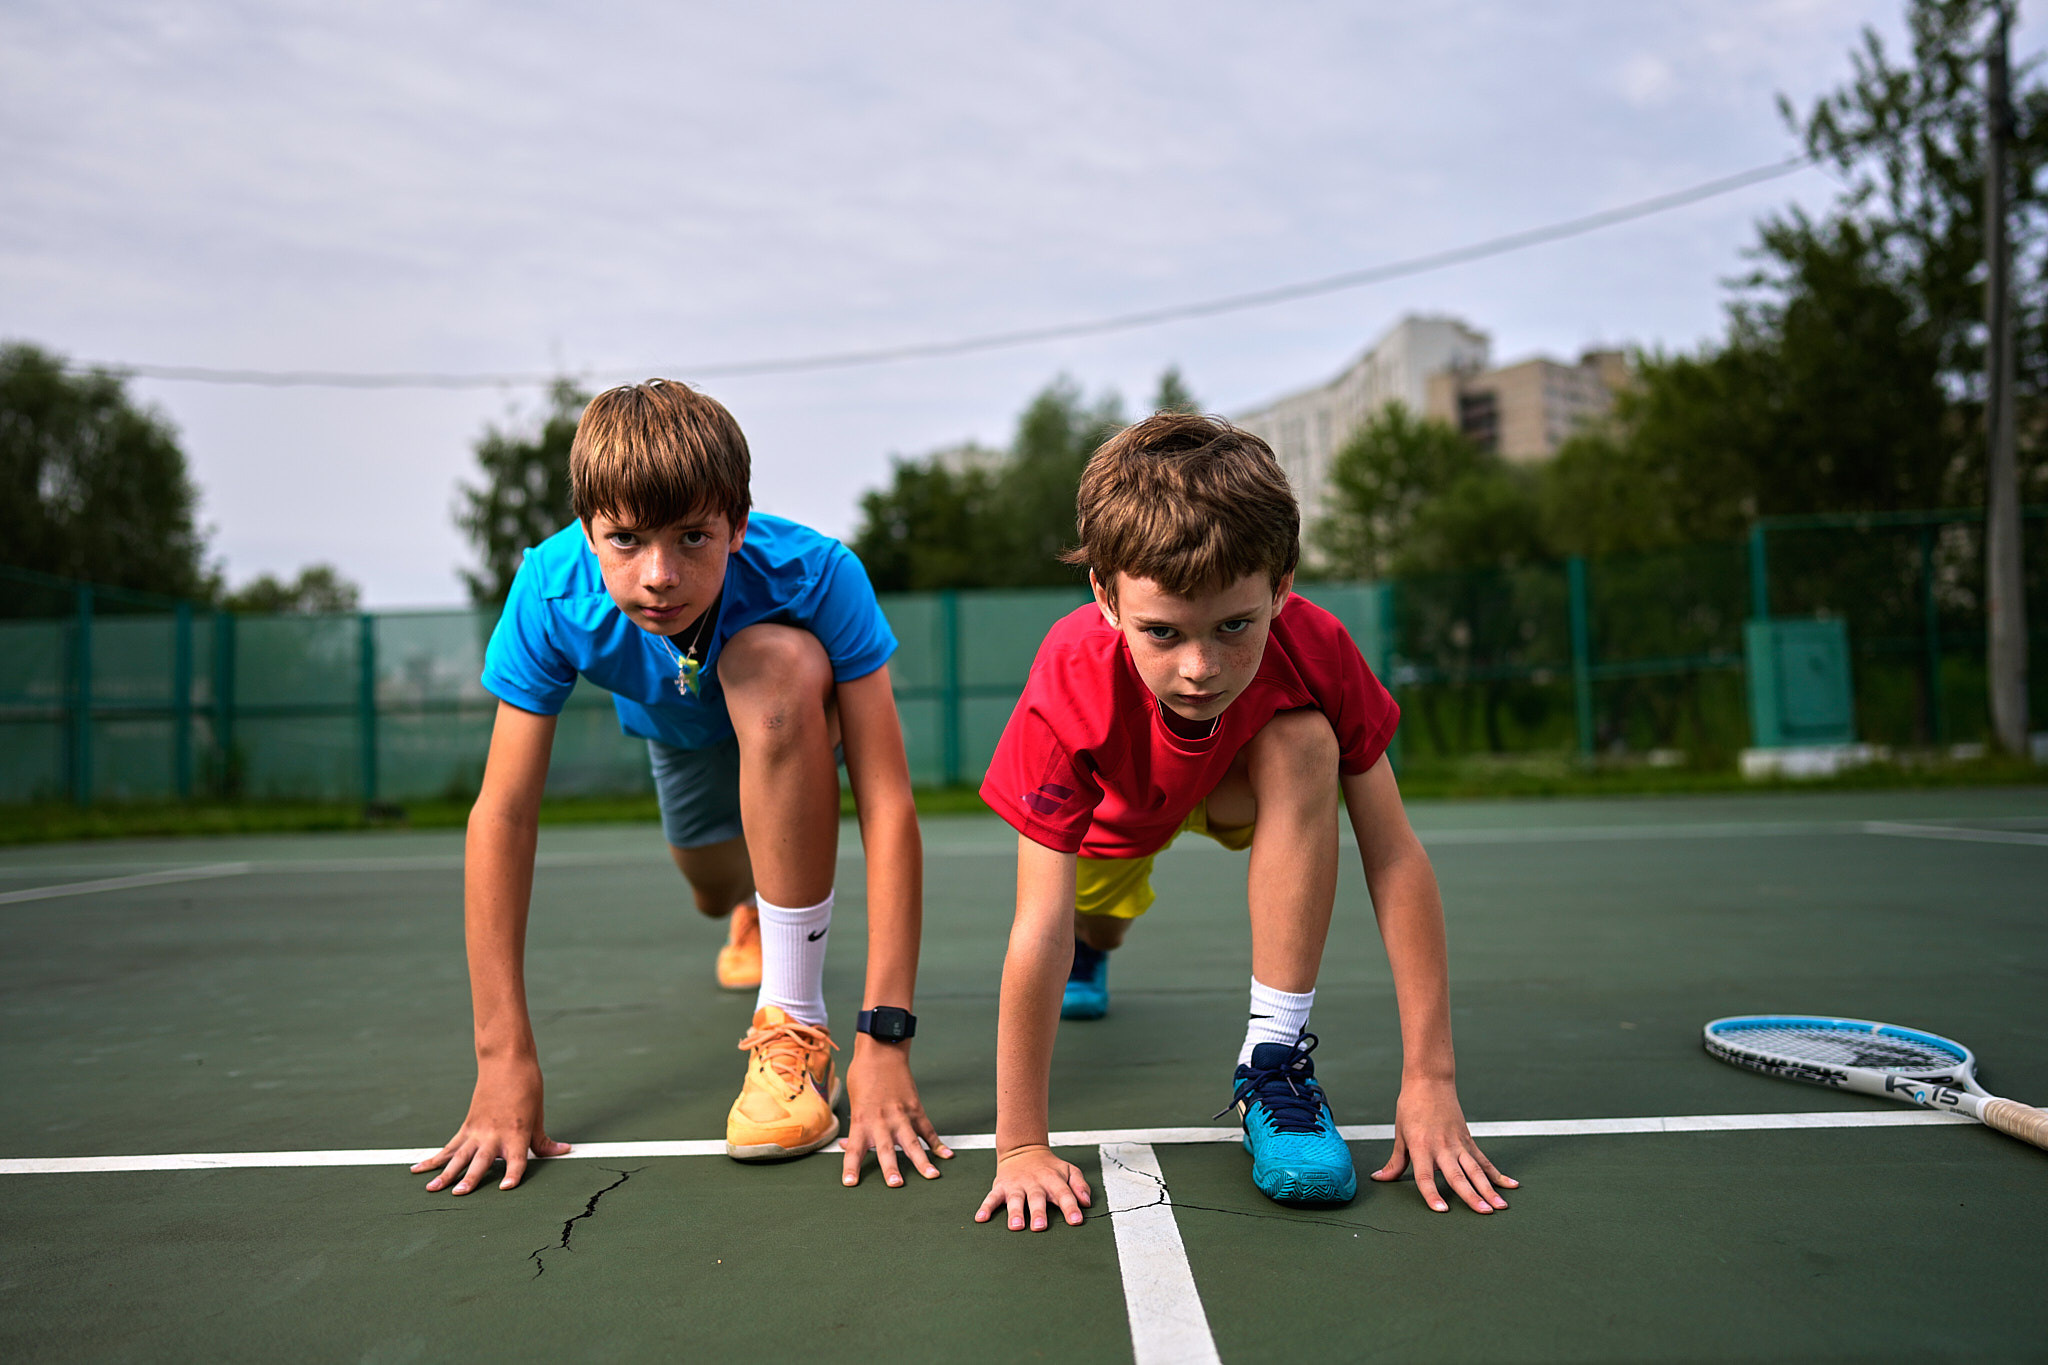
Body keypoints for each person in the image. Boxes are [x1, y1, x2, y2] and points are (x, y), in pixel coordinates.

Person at [972, 411, 1514, 1231]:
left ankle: (1273, 1060)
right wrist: (1020, 1144)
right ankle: (1103, 945)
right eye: (1163, 632)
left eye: (1235, 625)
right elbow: (1035, 919)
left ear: (1281, 586)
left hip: (1240, 784)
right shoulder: (1070, 679)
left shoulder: (1317, 646)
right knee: (1089, 926)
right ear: (1106, 597)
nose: (1200, 667)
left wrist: (1431, 1076)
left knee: (1305, 739)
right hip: (1120, 814)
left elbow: (1394, 856)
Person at [414, 379, 950, 1196]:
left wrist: (884, 1040)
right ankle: (748, 910)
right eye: (624, 539)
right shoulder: (551, 590)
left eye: (692, 537)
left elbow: (886, 801)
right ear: (589, 533)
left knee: (778, 667)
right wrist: (502, 1059)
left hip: (793, 721)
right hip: (676, 735)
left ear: (737, 524)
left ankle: (794, 1019)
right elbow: (505, 813)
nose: (659, 574)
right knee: (711, 886)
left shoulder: (817, 574)